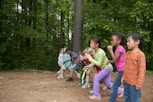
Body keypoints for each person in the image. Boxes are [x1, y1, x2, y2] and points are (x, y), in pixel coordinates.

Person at [122, 32, 146, 102]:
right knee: (127, 98)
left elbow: (142, 71)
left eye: (129, 41)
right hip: (126, 82)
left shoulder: (140, 54)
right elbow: (126, 67)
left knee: (134, 100)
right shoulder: (127, 53)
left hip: (134, 84)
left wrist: (139, 84)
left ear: (137, 42)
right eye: (127, 41)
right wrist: (123, 77)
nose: (127, 43)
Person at [108, 33, 126, 102]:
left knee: (115, 86)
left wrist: (110, 51)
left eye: (113, 40)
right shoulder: (118, 49)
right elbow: (117, 60)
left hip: (122, 70)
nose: (111, 42)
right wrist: (110, 61)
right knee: (125, 84)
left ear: (119, 41)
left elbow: (115, 59)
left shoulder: (120, 48)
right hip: (122, 70)